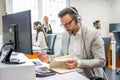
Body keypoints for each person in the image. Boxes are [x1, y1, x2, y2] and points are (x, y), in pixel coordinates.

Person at [38, 7, 108, 80]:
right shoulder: (65, 34)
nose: (66, 28)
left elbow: (101, 61)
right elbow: (61, 55)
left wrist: (78, 63)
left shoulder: (93, 34)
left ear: (78, 20)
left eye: (68, 24)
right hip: (69, 73)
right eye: (63, 25)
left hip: (89, 75)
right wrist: (49, 58)